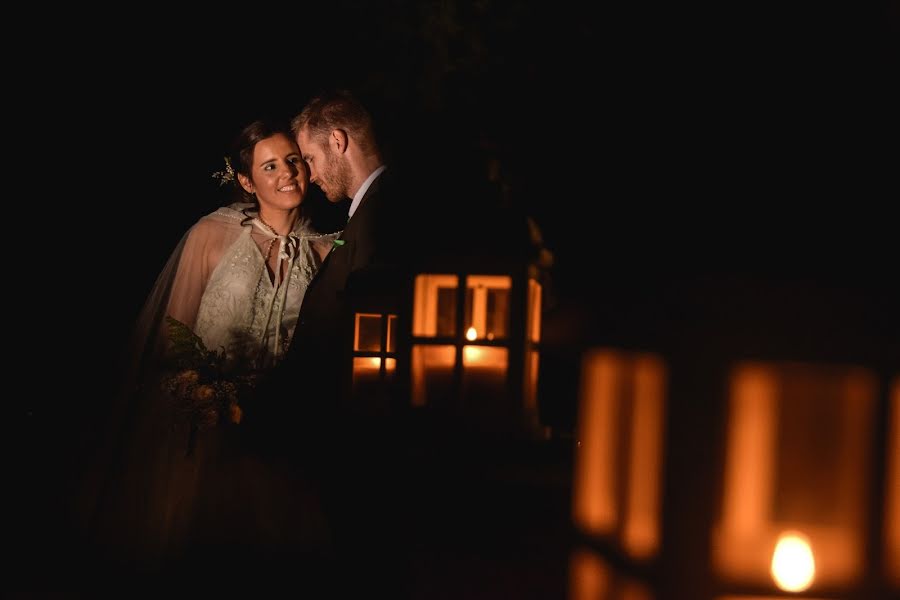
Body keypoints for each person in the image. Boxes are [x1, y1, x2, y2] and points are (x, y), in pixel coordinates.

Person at [82, 118, 338, 590]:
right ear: (246, 181)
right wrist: (195, 395)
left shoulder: (325, 254)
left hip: (281, 429)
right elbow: (170, 334)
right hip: (206, 430)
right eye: (270, 166)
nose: (287, 173)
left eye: (293, 161)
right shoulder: (210, 236)